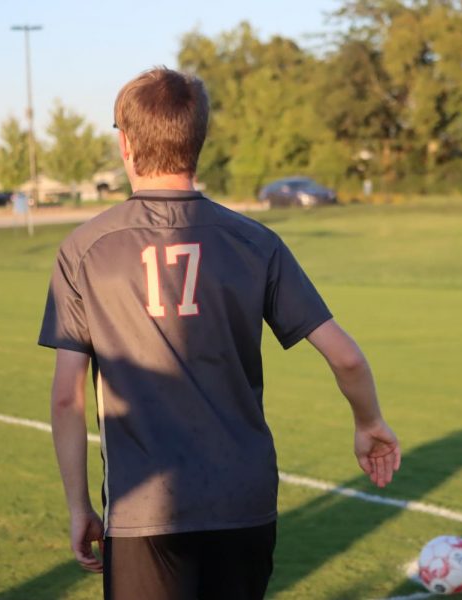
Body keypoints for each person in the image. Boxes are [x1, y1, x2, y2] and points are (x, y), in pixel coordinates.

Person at [38, 66, 401, 600]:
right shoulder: (256, 241)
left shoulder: (85, 249)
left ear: (128, 145)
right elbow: (345, 356)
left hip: (144, 508)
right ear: (196, 142)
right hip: (245, 503)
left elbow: (68, 399)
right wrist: (368, 421)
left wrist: (79, 508)